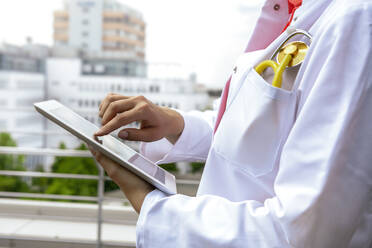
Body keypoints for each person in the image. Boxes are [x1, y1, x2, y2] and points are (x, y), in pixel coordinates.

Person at [89, 0, 372, 247]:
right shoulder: (291, 10)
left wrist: (148, 200)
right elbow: (261, 123)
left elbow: (296, 236)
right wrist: (175, 123)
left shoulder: (355, 21)